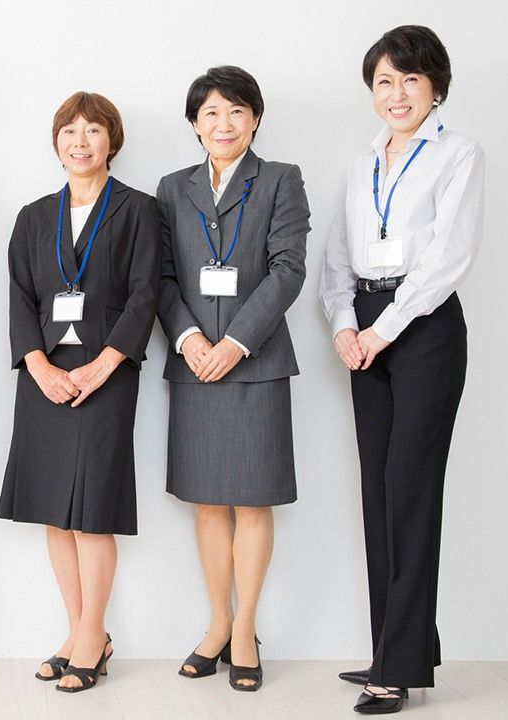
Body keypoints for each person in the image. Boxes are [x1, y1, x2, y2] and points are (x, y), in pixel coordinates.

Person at [320, 25, 485, 715]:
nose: (396, 93)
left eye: (410, 79)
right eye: (384, 81)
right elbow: (338, 257)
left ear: (435, 86)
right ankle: (393, 649)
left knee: (410, 492)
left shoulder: (458, 154)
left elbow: (448, 259)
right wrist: (343, 324)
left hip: (422, 330)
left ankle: (400, 665)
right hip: (365, 328)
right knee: (378, 494)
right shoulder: (363, 164)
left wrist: (381, 330)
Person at [0, 91, 159, 694]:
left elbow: (145, 294)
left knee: (92, 512)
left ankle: (93, 635)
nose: (80, 141)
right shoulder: (33, 216)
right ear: (56, 142)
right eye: (69, 130)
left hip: (107, 373)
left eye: (93, 130)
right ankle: (77, 631)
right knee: (55, 512)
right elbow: (19, 297)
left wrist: (106, 363)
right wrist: (36, 365)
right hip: (45, 374)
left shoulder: (138, 210)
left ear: (111, 140)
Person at [155, 66, 310, 692]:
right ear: (195, 124)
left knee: (252, 499)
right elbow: (161, 277)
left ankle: (245, 628)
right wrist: (191, 339)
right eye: (211, 113)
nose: (224, 124)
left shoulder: (280, 179)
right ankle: (218, 621)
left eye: (237, 111)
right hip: (194, 365)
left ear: (255, 119)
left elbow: (288, 269)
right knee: (206, 501)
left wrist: (237, 342)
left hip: (257, 363)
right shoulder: (173, 188)